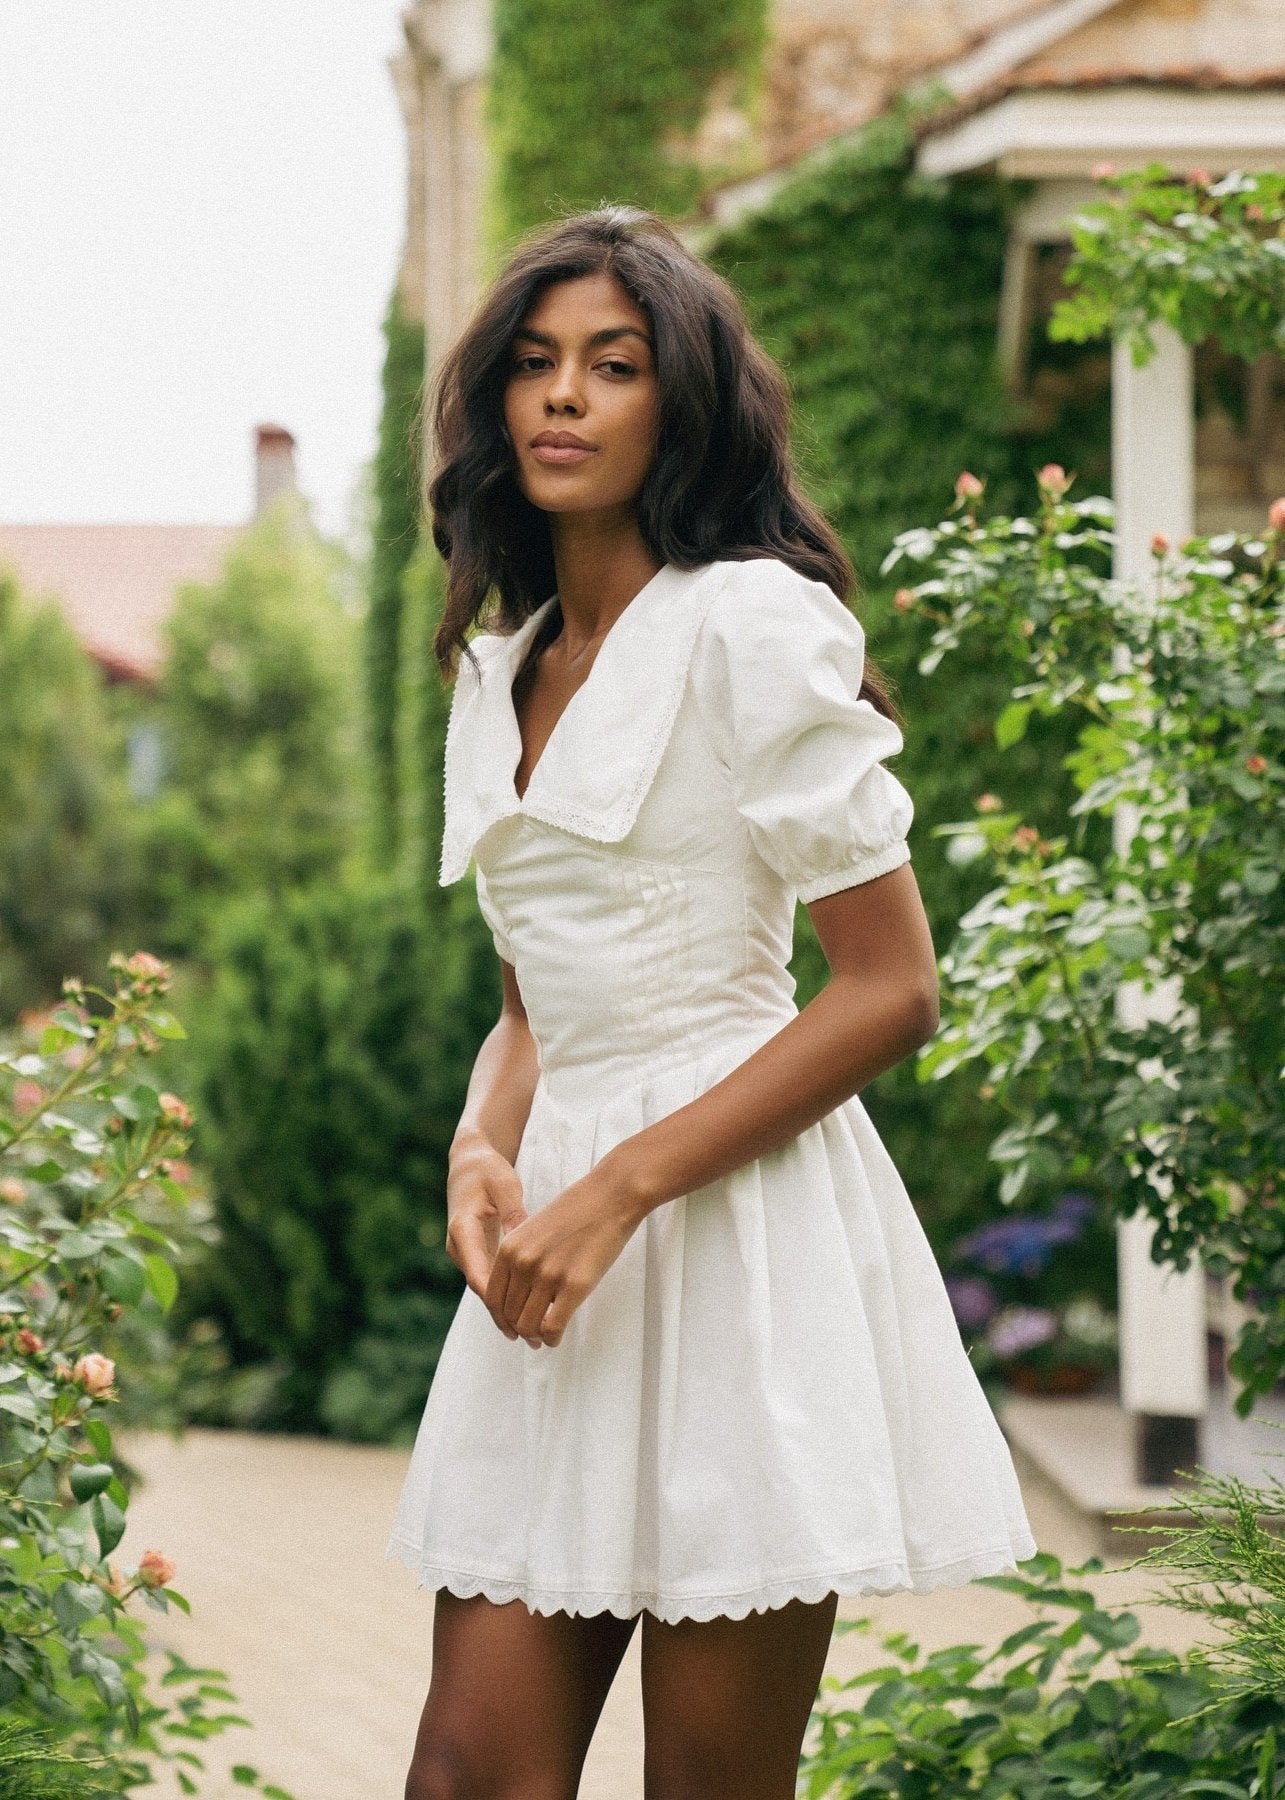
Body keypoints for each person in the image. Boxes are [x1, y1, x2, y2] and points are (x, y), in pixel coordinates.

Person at [386, 204, 1037, 1800]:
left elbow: (889, 990)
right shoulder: (503, 664)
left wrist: (618, 1187)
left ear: (676, 403)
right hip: (551, 1267)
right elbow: (534, 1008)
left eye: (611, 366)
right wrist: (486, 1151)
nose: (561, 397)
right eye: (533, 365)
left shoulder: (749, 624)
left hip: (733, 1237)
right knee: (471, 1774)